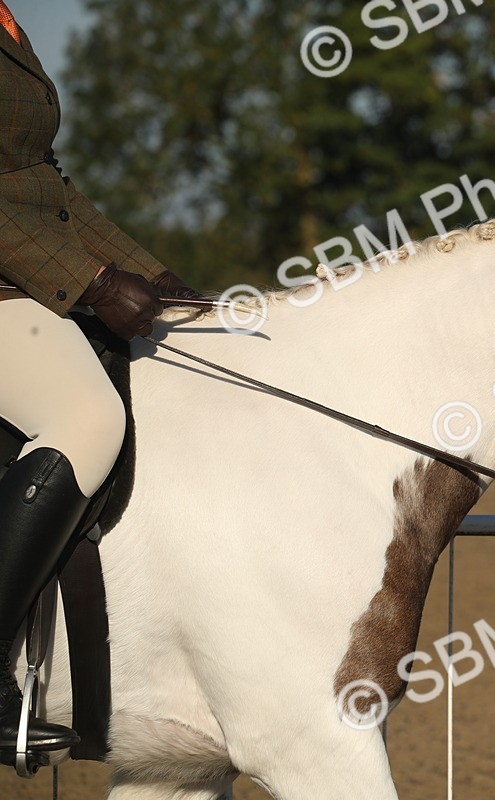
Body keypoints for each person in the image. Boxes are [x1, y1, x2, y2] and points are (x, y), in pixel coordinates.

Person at [0, 0, 199, 758]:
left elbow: (41, 184)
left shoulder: (9, 25)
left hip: (20, 280)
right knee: (88, 415)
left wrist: (148, 273)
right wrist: (89, 282)